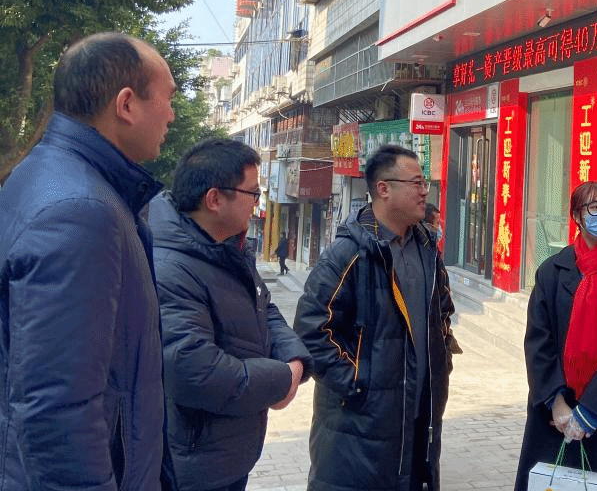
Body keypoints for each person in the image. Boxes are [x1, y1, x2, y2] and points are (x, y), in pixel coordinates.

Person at [0, 32, 178, 490]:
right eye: (168, 98)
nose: (172, 115)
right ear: (126, 104)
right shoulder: (82, 210)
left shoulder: (47, 175)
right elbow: (55, 411)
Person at [294, 144, 460, 491]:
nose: (424, 191)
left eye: (425, 182)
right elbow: (312, 330)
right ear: (383, 188)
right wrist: (359, 384)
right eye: (416, 183)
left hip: (419, 419)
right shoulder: (348, 253)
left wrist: (441, 364)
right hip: (357, 431)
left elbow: (443, 313)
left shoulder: (427, 249)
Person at [149, 138, 313, 491]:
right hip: (192, 466)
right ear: (214, 199)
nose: (257, 203)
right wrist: (281, 379)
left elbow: (264, 307)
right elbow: (194, 370)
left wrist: (294, 358)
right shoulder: (170, 267)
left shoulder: (226, 247)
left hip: (229, 455)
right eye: (252, 193)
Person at [514, 181, 597, 491]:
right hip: (555, 414)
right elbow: (538, 341)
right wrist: (556, 402)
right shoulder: (551, 272)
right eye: (595, 208)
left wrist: (589, 413)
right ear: (577, 215)